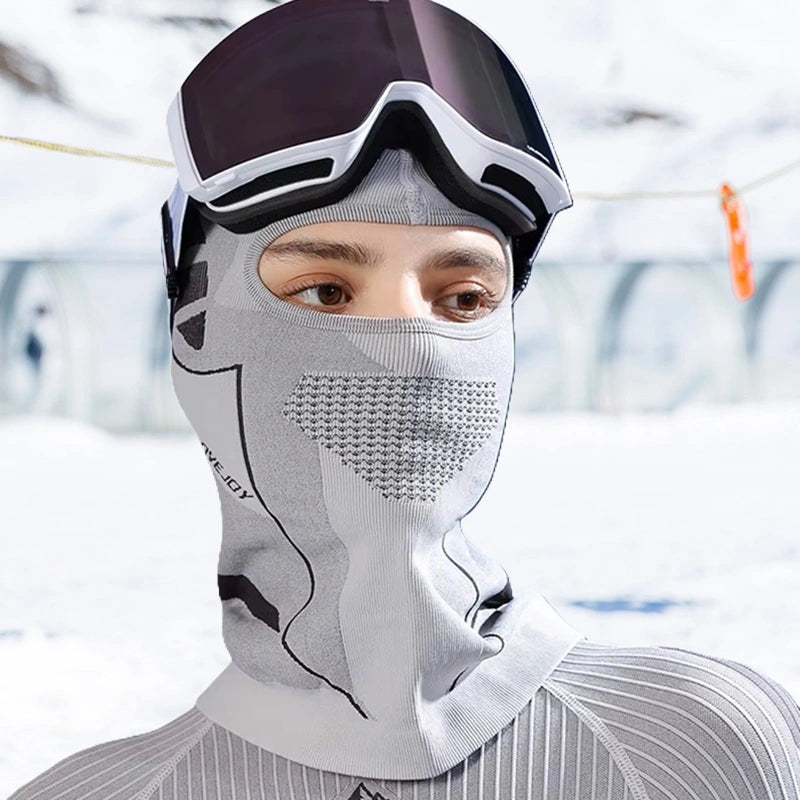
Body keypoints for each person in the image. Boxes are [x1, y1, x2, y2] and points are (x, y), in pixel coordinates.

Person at [11, 1, 800, 799]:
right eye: (324, 290)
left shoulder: (709, 745)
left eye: (462, 299)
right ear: (196, 335)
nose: (411, 351)